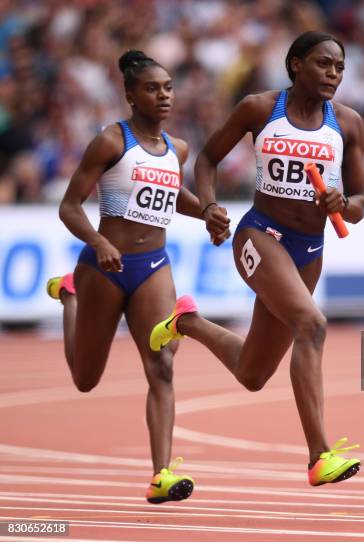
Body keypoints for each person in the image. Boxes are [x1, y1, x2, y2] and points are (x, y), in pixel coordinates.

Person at [149, 31, 364, 486]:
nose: (333, 73)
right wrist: (208, 206)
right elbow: (206, 160)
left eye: (340, 67)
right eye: (324, 63)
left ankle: (186, 322)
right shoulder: (260, 108)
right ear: (295, 64)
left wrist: (342, 204)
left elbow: (361, 204)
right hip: (260, 236)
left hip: (309, 250)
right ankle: (319, 455)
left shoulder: (348, 123)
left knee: (252, 373)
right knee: (313, 324)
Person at [46, 50, 205, 504]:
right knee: (85, 379)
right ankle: (69, 296)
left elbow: (173, 196)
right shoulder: (112, 142)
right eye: (153, 89)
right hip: (104, 268)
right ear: (131, 96)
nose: (164, 96)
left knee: (164, 364)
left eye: (169, 88)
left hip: (153, 265)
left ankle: (162, 474)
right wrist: (99, 243)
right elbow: (69, 206)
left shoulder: (179, 149)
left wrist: (209, 212)